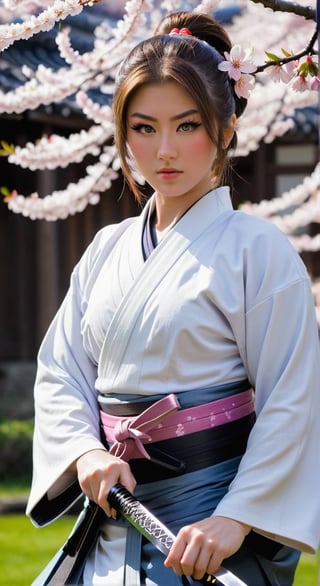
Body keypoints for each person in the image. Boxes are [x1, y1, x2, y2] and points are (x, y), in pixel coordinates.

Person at [26, 10, 320, 586]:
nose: (164, 150)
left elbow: (293, 398)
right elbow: (60, 372)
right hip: (112, 516)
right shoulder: (106, 250)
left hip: (207, 536)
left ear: (226, 128)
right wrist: (86, 453)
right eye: (143, 127)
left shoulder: (257, 251)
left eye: (187, 126)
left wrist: (237, 518)